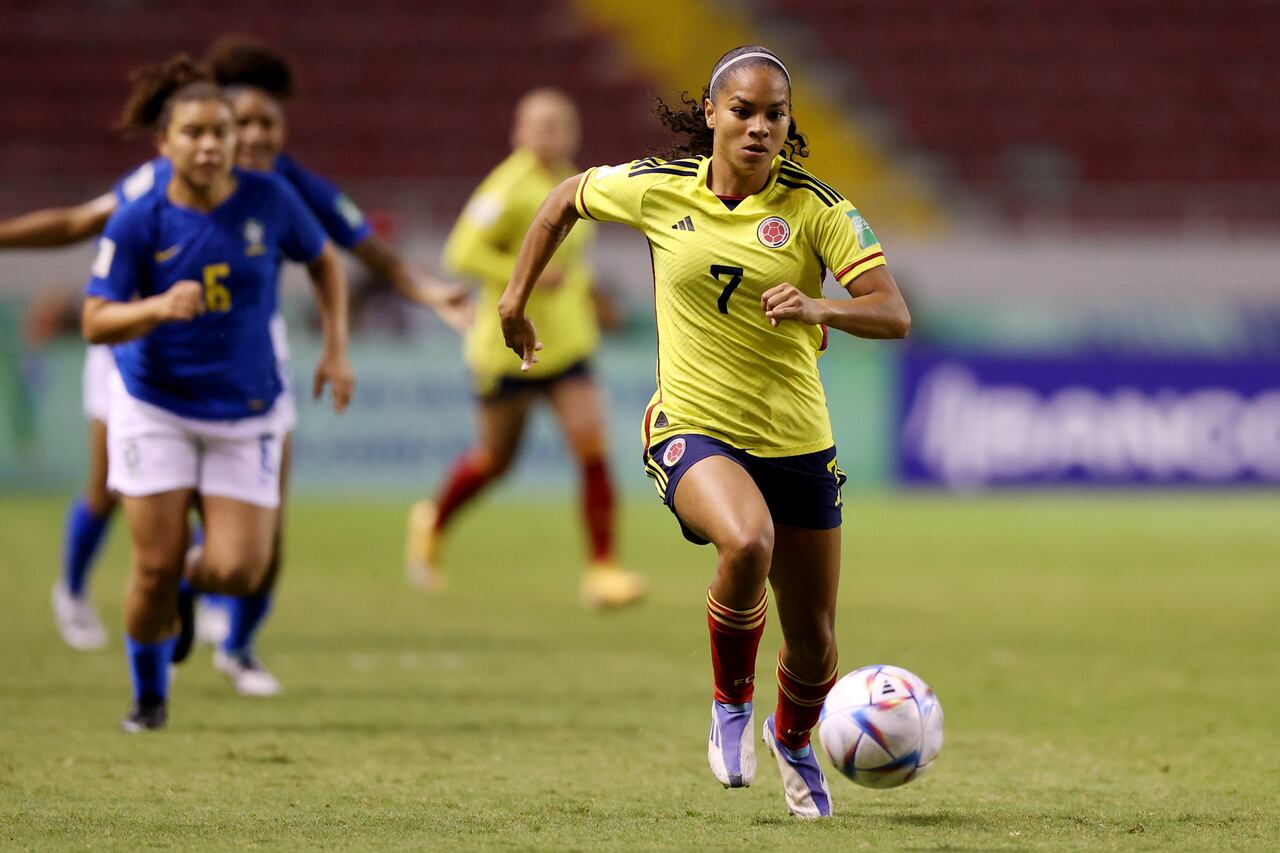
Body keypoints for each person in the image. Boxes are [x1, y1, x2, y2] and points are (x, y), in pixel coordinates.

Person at [496, 46, 911, 818]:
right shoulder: (655, 189)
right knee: (746, 540)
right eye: (744, 111)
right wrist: (513, 300)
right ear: (712, 114)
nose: (760, 127)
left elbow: (894, 311)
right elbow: (559, 202)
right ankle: (730, 705)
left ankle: (791, 739)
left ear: (789, 124)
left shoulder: (816, 208)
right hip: (692, 427)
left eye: (776, 114)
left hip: (798, 442)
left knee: (817, 643)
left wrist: (822, 308)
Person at [0, 39, 463, 689]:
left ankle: (235, 639)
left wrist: (430, 291)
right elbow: (78, 222)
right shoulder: (160, 180)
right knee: (107, 486)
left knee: (262, 514)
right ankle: (75, 594)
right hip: (142, 340)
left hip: (245, 349)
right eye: (237, 122)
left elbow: (361, 249)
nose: (249, 136)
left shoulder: (284, 187)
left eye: (263, 124)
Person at [81, 59, 353, 731]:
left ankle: (184, 581)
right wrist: (154, 310)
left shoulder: (270, 200)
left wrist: (335, 345)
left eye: (221, 132)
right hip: (156, 407)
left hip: (246, 409)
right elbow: (95, 319)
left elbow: (323, 260)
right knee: (149, 568)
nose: (209, 144)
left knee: (239, 569)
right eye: (194, 132)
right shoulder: (139, 219)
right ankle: (149, 699)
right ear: (164, 143)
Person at [404, 89, 645, 608]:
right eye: (540, 125)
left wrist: (591, 294)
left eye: (560, 124)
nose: (550, 133)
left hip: (569, 345)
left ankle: (603, 570)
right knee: (495, 462)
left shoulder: (576, 182)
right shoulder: (506, 188)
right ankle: (433, 521)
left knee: (593, 449)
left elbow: (573, 265)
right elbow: (461, 253)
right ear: (519, 132)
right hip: (508, 346)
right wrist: (527, 277)